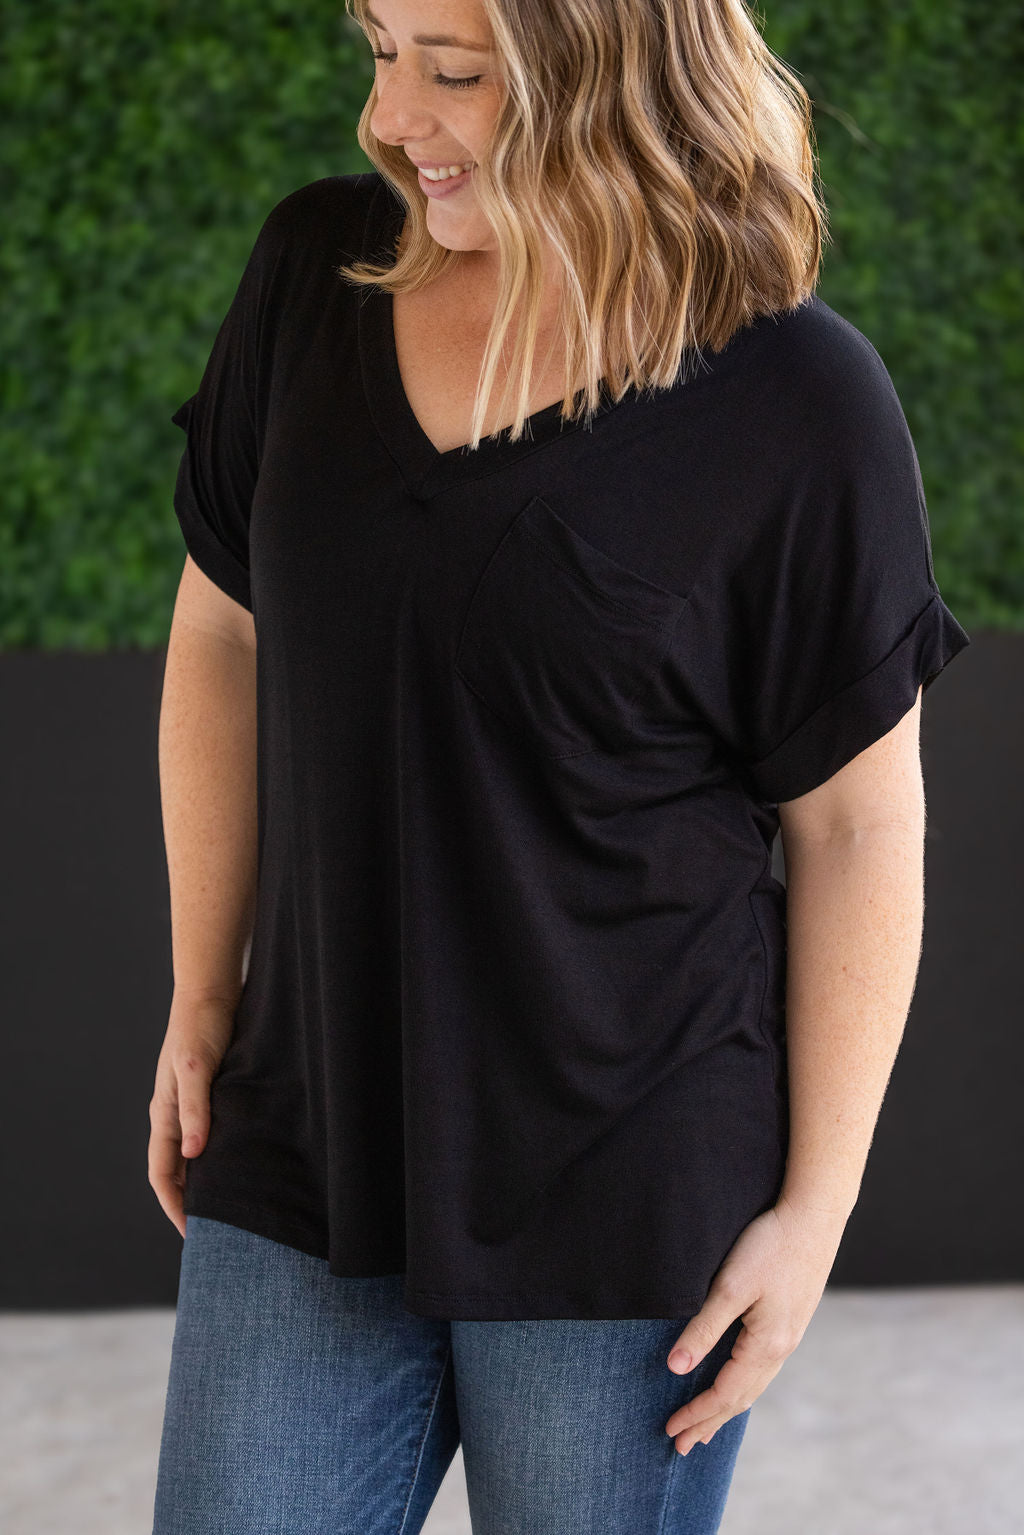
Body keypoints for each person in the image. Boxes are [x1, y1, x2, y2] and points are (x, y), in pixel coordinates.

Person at [148, 0, 971, 1530]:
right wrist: (207, 996)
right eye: (380, 50)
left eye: (454, 71)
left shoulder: (798, 398)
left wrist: (815, 1210)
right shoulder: (315, 271)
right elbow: (221, 634)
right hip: (308, 1135)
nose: (390, 117)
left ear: (615, 66)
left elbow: (858, 827)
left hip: (628, 1200)